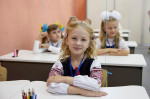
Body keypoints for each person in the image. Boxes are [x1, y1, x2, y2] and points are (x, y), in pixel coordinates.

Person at [46, 21, 107, 97]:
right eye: (74, 38)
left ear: (89, 43)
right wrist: (82, 91)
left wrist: (64, 79)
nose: (78, 43)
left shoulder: (94, 63)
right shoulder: (60, 63)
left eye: (83, 40)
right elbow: (51, 84)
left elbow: (96, 85)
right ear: (67, 40)